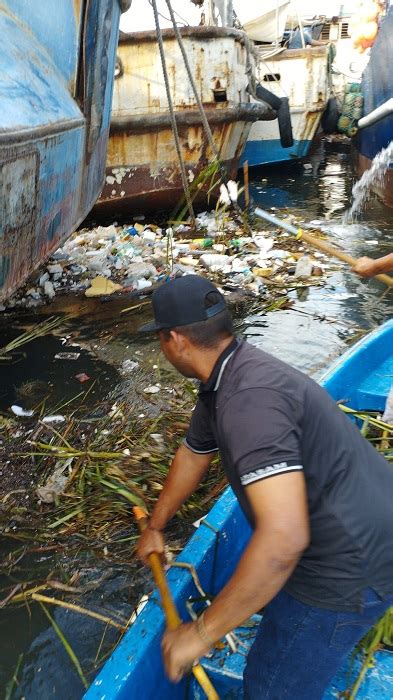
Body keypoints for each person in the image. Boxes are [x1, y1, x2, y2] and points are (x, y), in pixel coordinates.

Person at [137, 275, 393, 699]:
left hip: (349, 565)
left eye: (160, 339)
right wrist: (157, 526)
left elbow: (283, 540)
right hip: (359, 522)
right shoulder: (228, 376)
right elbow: (193, 454)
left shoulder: (247, 404)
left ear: (174, 340)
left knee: (272, 688)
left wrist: (200, 633)